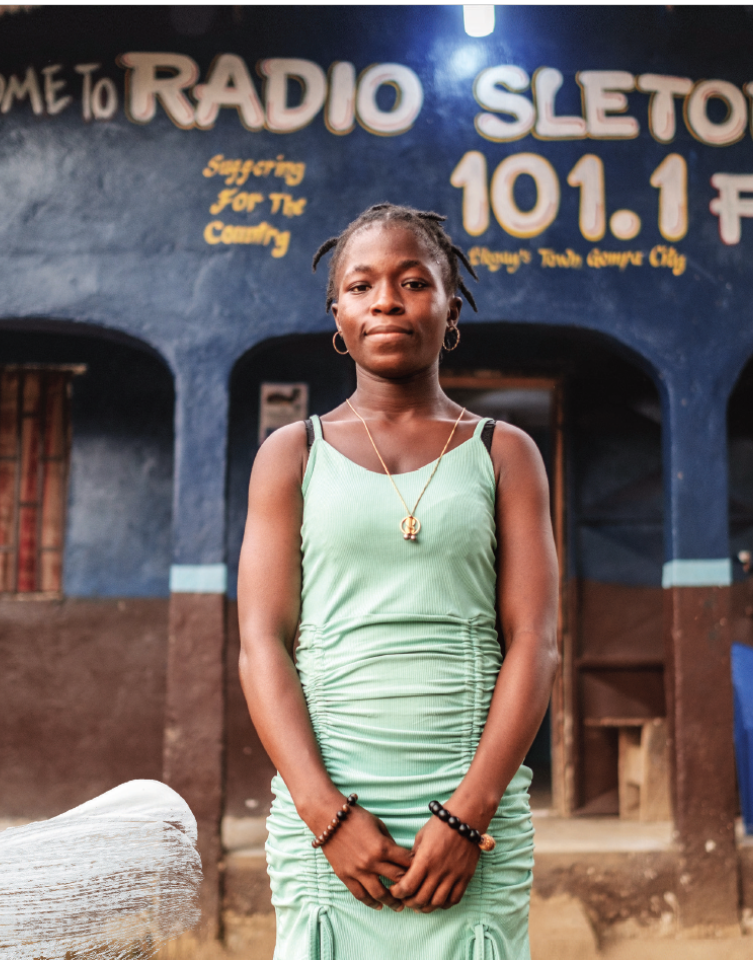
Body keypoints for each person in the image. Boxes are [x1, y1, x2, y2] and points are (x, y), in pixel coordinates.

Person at [237, 203, 559, 959]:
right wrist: (326, 816)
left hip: (470, 823)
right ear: (338, 315)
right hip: (328, 823)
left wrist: (468, 817)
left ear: (450, 310)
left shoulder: (503, 453)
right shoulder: (291, 455)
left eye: (414, 282)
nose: (386, 299)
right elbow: (261, 644)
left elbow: (535, 642)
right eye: (362, 285)